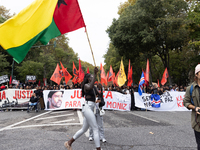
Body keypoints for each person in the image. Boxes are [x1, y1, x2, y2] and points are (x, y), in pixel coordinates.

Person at [64, 67, 103, 150]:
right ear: (88, 79)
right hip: (87, 107)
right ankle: (98, 149)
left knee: (84, 129)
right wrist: (95, 73)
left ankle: (69, 143)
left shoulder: (94, 87)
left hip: (91, 108)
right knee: (95, 128)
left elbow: (100, 95)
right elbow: (90, 86)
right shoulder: (86, 85)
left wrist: (101, 88)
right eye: (92, 77)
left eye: (93, 76)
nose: (93, 78)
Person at [183, 64, 200, 150]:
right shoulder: (191, 88)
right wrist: (195, 108)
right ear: (196, 74)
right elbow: (186, 102)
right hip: (198, 122)